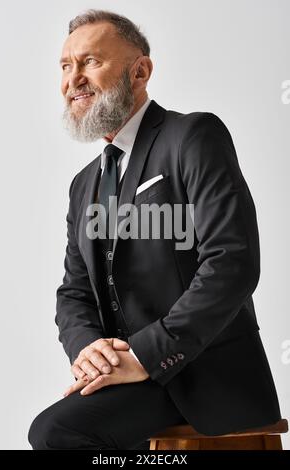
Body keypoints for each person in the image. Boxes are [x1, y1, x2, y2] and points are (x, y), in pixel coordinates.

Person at [28, 9, 281, 450]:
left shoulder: (194, 136)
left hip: (205, 378)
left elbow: (232, 262)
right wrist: (89, 353)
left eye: (90, 62)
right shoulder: (83, 184)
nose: (74, 79)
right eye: (66, 66)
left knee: (56, 432)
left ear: (140, 71)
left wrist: (145, 354)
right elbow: (74, 291)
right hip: (131, 382)